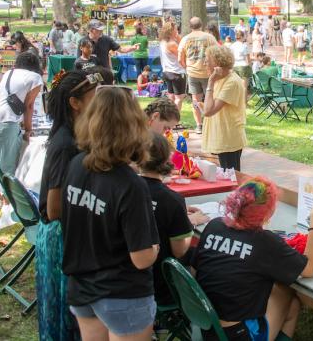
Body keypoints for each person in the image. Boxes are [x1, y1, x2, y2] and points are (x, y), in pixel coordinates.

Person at [61, 87, 158, 340]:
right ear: (134, 125)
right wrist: (156, 247)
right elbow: (142, 258)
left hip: (82, 286)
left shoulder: (75, 165)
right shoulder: (130, 184)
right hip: (122, 293)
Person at [192, 178, 313, 341]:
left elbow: (196, 269)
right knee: (285, 290)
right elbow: (309, 269)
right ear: (268, 212)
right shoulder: (266, 242)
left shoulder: (214, 225)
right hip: (234, 335)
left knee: (292, 305)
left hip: (206, 322)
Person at [36, 70, 99, 341]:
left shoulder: (76, 134)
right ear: (75, 103)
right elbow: (54, 208)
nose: (98, 101)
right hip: (61, 234)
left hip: (68, 232)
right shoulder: (65, 144)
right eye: (93, 96)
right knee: (67, 316)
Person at [137, 132, 203, 308]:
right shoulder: (172, 200)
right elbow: (180, 250)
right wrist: (190, 221)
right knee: (202, 253)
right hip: (160, 284)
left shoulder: (127, 188)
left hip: (128, 274)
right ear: (167, 159)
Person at [0, 52, 43, 208]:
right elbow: (29, 106)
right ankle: (7, 200)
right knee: (7, 164)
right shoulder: (35, 78)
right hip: (5, 120)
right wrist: (28, 130)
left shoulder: (9, 73)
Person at [202, 45, 247, 171]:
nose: (204, 62)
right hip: (222, 136)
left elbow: (208, 111)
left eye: (207, 59)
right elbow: (209, 107)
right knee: (226, 177)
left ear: (218, 63)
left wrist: (210, 82)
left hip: (229, 139)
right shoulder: (221, 79)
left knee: (230, 179)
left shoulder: (231, 82)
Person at [178, 16, 218, 134]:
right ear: (201, 25)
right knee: (211, 98)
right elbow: (217, 53)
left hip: (192, 73)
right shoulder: (209, 37)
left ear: (190, 26)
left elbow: (180, 59)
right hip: (208, 73)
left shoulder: (185, 39)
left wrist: (187, 67)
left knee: (196, 100)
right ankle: (211, 123)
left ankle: (199, 125)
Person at [159, 23, 187, 115]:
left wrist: (177, 37)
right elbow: (182, 56)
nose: (177, 31)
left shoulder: (163, 42)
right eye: (176, 29)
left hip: (167, 71)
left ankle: (170, 118)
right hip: (176, 72)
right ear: (171, 31)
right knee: (179, 97)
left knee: (171, 96)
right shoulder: (172, 44)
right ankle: (175, 119)